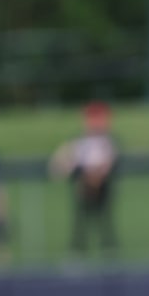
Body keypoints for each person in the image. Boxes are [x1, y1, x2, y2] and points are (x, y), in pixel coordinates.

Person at [50, 101, 121, 257]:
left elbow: (109, 161)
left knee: (104, 219)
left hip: (101, 186)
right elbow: (64, 162)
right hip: (83, 185)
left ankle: (108, 248)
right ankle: (78, 248)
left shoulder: (106, 141)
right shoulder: (80, 141)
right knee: (81, 220)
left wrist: (97, 177)